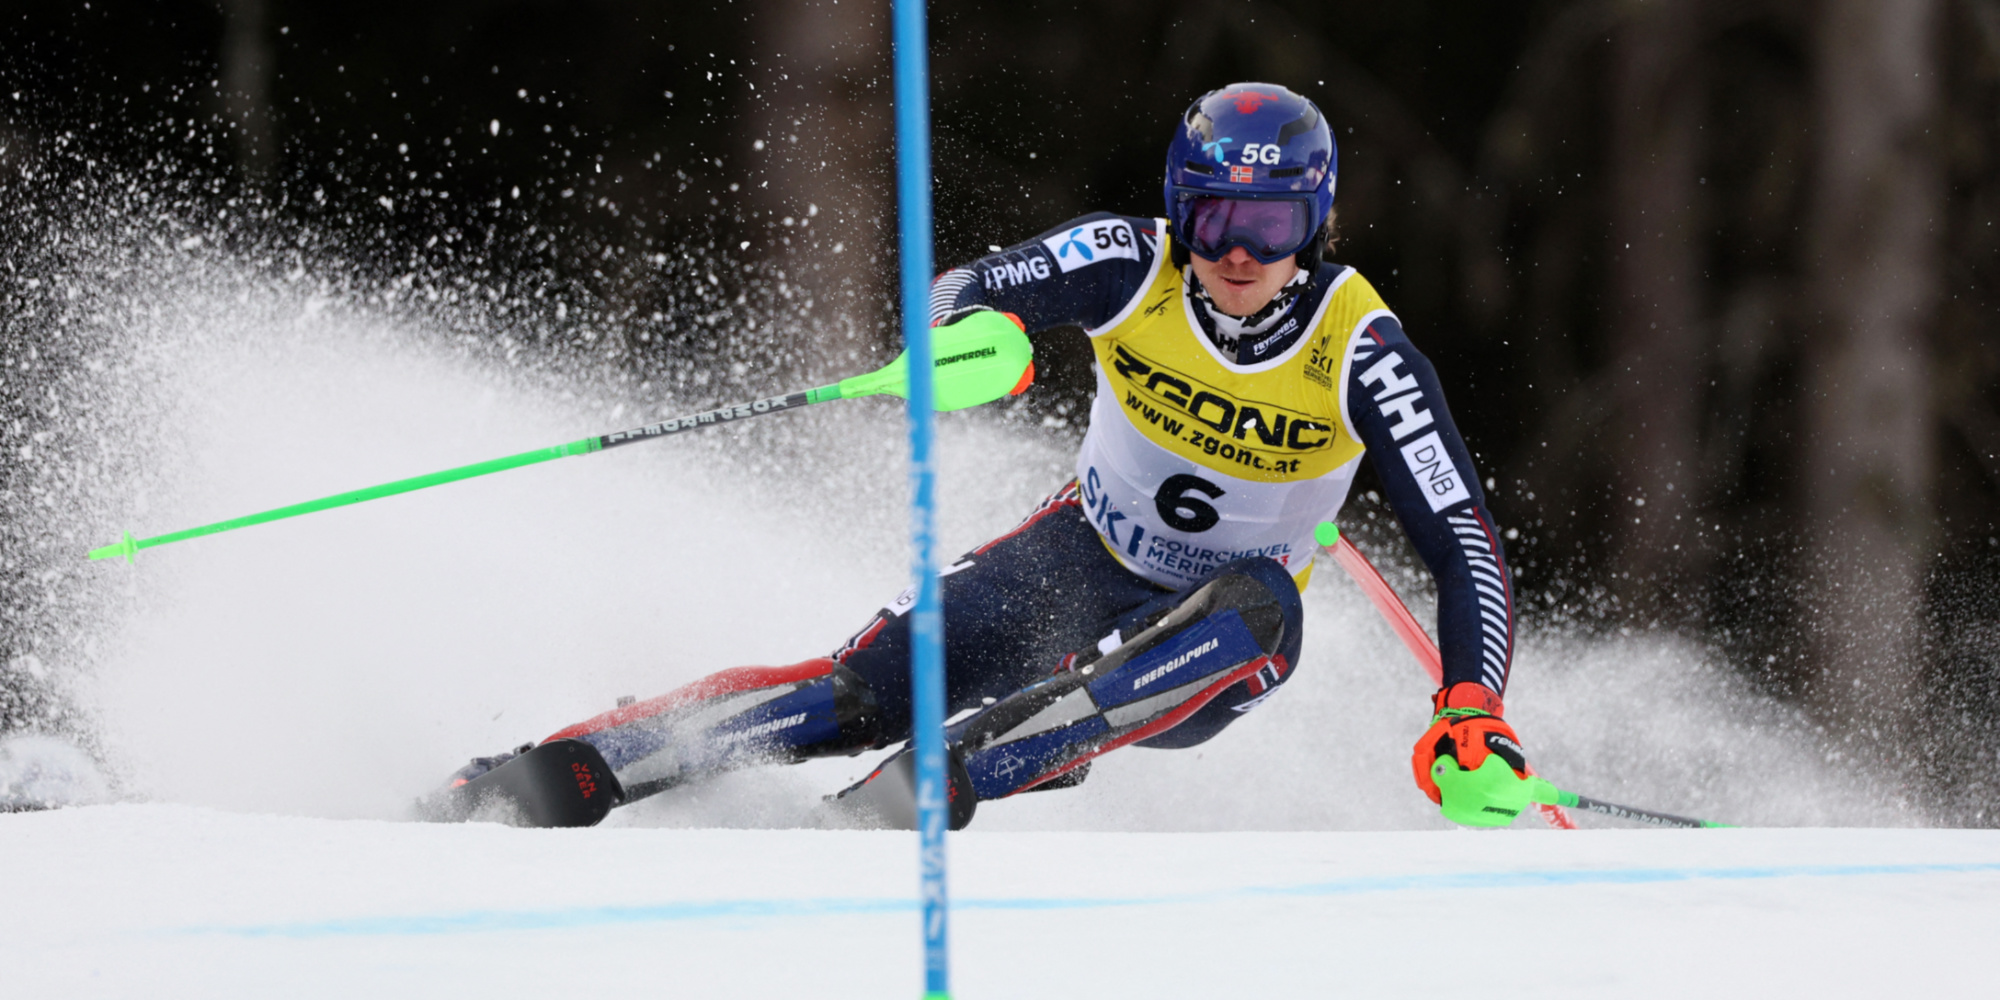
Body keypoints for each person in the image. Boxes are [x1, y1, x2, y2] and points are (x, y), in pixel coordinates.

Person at [425, 82, 1534, 830]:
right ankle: (559, 769)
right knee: (866, 688)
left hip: (1217, 642)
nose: (1238, 255)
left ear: (1316, 226)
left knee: (1250, 608)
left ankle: (934, 785)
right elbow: (965, 289)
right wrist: (973, 339)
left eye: (1272, 229)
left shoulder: (1362, 350)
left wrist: (1469, 704)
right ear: (1176, 213)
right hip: (1079, 554)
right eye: (1213, 223)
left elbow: (1463, 543)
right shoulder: (1126, 261)